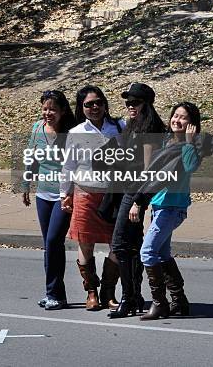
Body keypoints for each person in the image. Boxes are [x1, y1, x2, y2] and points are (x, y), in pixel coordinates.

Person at [130, 102, 202, 320]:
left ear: (192, 125)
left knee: (147, 252)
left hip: (173, 209)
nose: (177, 120)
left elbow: (191, 167)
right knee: (161, 253)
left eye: (183, 118)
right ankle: (179, 301)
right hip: (159, 206)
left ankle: (160, 303)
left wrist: (189, 142)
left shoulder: (193, 146)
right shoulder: (165, 141)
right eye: (175, 116)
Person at [60, 86, 126, 311]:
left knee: (116, 245)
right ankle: (92, 291)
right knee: (85, 244)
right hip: (85, 194)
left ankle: (109, 291)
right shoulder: (76, 132)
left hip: (113, 195)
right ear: (82, 108)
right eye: (88, 104)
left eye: (98, 102)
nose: (94, 107)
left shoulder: (119, 127)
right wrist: (65, 194)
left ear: (105, 104)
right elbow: (69, 165)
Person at [109, 83, 165, 319]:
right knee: (131, 246)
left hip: (136, 193)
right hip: (127, 189)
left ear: (146, 104)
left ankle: (128, 298)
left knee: (121, 244)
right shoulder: (132, 126)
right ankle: (134, 297)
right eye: (128, 102)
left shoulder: (150, 129)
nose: (130, 106)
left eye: (135, 102)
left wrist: (138, 202)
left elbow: (150, 170)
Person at [22, 89, 76, 310]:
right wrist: (26, 185)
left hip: (64, 195)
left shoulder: (72, 132)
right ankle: (54, 294)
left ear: (62, 111)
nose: (48, 113)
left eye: (52, 109)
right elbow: (31, 158)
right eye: (45, 108)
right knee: (49, 245)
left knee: (54, 241)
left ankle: (55, 293)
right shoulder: (37, 128)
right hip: (43, 194)